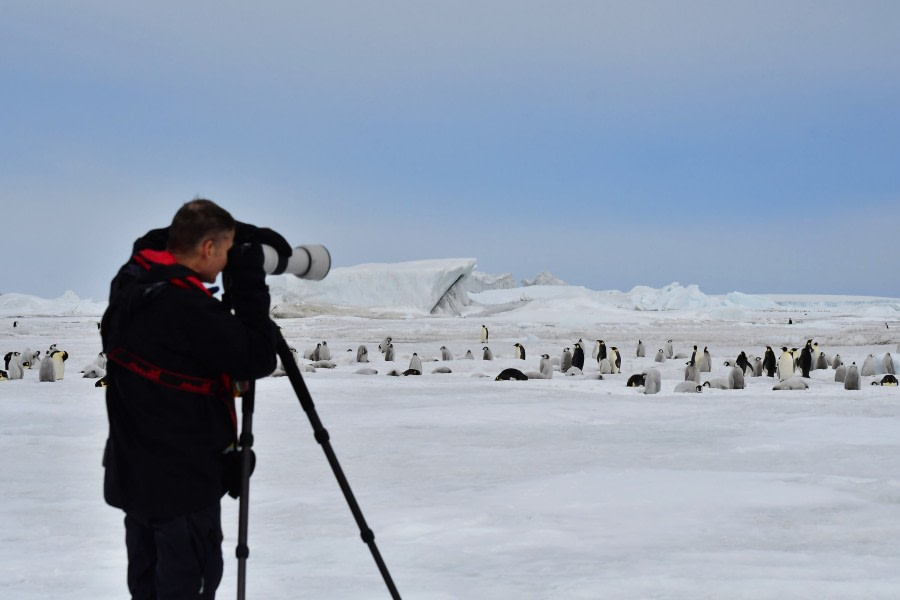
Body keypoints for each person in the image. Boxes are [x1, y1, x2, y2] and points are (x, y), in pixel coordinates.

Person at [101, 199, 289, 599]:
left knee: (148, 589)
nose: (224, 264)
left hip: (135, 481)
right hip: (183, 491)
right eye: (222, 252)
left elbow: (151, 239)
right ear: (207, 248)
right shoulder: (190, 309)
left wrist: (240, 237)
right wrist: (252, 280)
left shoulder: (131, 282)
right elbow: (257, 356)